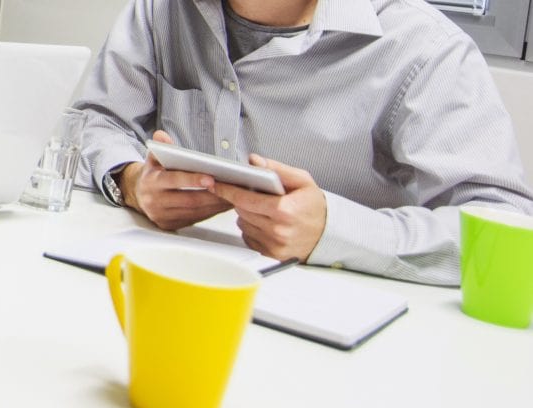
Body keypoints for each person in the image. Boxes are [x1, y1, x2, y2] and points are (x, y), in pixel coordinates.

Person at [76, 0, 533, 285]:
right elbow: (95, 120)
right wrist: (131, 179)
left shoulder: (427, 49)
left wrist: (333, 230)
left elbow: (510, 227)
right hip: (178, 290)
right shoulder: (160, 11)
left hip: (345, 341)